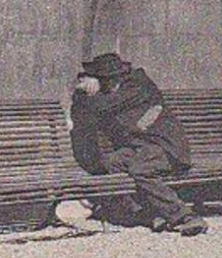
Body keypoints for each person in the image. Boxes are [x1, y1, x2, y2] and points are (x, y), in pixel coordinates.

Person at [70, 51, 208, 236]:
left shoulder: (137, 86)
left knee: (140, 170)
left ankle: (185, 217)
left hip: (166, 149)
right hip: (140, 149)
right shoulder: (117, 90)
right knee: (109, 163)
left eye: (98, 80)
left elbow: (101, 106)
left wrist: (82, 94)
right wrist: (82, 96)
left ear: (110, 80)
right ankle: (148, 214)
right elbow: (87, 113)